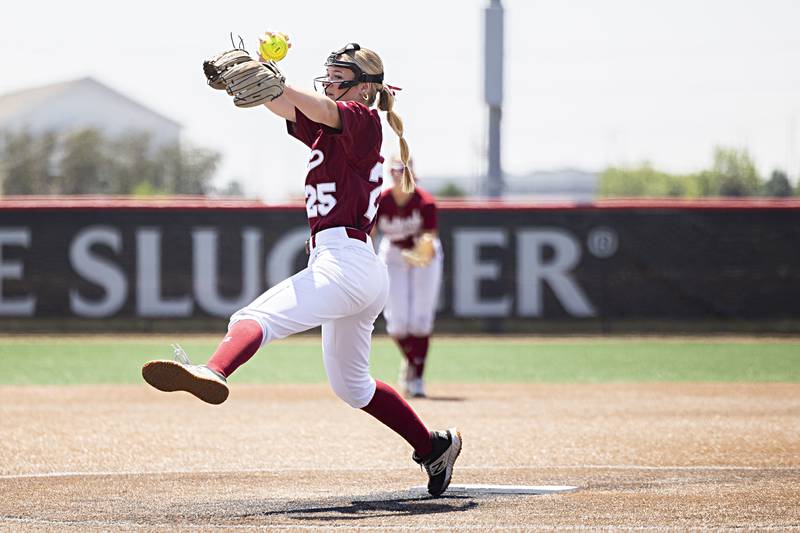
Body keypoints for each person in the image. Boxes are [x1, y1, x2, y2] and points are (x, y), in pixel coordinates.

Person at [141, 40, 461, 497]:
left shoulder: (364, 121)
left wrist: (278, 81)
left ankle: (214, 370)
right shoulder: (329, 129)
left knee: (254, 317)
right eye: (326, 76)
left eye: (338, 77)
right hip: (356, 267)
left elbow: (305, 102)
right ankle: (434, 448)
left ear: (364, 87)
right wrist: (260, 81)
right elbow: (286, 105)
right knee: (352, 387)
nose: (329, 82)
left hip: (345, 263)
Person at [373, 157, 443, 398]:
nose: (399, 174)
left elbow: (428, 241)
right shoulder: (382, 200)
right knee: (398, 322)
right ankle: (412, 363)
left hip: (424, 257)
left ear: (413, 172)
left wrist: (417, 255)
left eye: (404, 169)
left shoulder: (424, 201)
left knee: (421, 321)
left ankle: (417, 379)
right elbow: (369, 233)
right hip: (393, 254)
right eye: (395, 169)